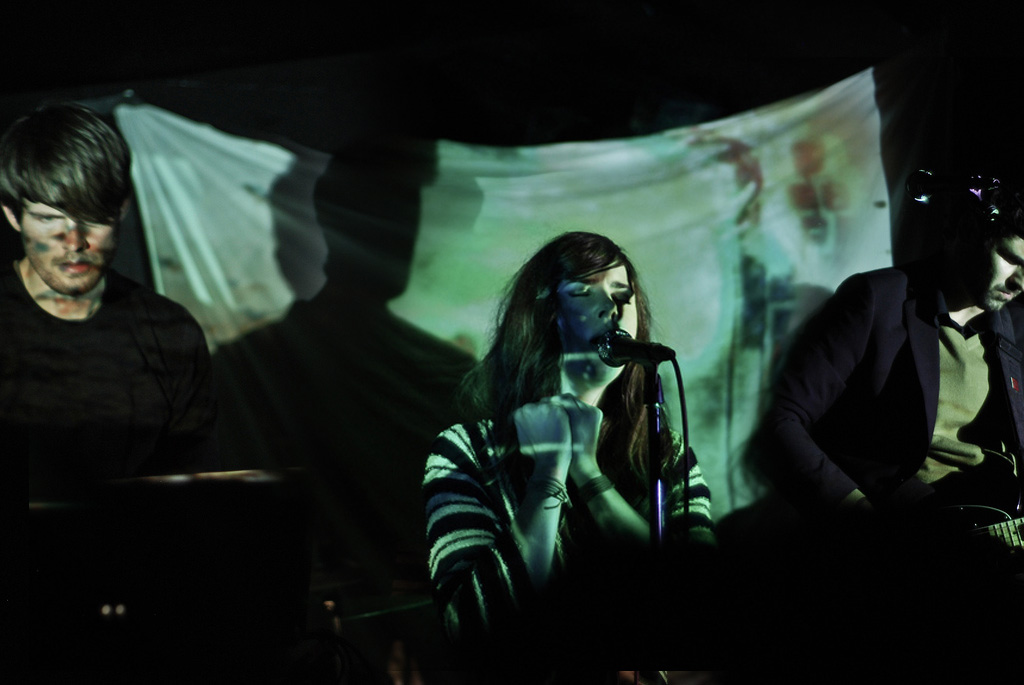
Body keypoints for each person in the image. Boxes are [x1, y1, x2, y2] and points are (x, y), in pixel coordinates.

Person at [754, 174, 1024, 665]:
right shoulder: (877, 299)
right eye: (1012, 258)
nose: (1021, 282)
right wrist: (866, 525)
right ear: (967, 231)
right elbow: (782, 424)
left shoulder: (1016, 329)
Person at [423, 232, 717, 672]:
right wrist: (548, 472)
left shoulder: (667, 455)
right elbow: (473, 627)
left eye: (622, 293)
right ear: (545, 315)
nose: (612, 306)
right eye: (583, 291)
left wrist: (587, 472)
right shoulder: (465, 451)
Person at [1, 102, 218, 500]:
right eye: (49, 218)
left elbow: (189, 493)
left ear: (122, 210)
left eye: (94, 216)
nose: (74, 242)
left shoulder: (171, 333)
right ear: (13, 216)